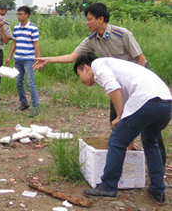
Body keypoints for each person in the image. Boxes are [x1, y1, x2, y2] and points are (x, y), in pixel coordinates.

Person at [32, 3, 166, 165]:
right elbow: (72, 56)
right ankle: (124, 162)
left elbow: (140, 59)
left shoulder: (122, 34)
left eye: (89, 19)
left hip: (137, 83)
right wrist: (48, 60)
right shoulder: (91, 40)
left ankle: (160, 162)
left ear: (101, 19)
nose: (87, 23)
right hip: (116, 85)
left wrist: (135, 90)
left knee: (147, 126)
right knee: (117, 122)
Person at [73, 53, 171, 205]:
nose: (82, 81)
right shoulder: (120, 68)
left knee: (116, 141)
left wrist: (119, 116)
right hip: (165, 102)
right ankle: (158, 190)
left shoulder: (98, 64)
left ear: (86, 68)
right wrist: (127, 132)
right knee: (150, 141)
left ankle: (108, 186)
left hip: (147, 100)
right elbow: (128, 103)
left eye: (80, 75)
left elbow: (113, 88)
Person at [5, 6, 40, 116]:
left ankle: (35, 106)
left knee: (30, 82)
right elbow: (14, 43)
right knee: (18, 81)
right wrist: (9, 56)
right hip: (18, 59)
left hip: (29, 59)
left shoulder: (33, 28)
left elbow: (36, 45)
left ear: (27, 15)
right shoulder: (16, 27)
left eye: (21, 14)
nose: (19, 16)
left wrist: (38, 60)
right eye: (18, 14)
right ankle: (24, 103)